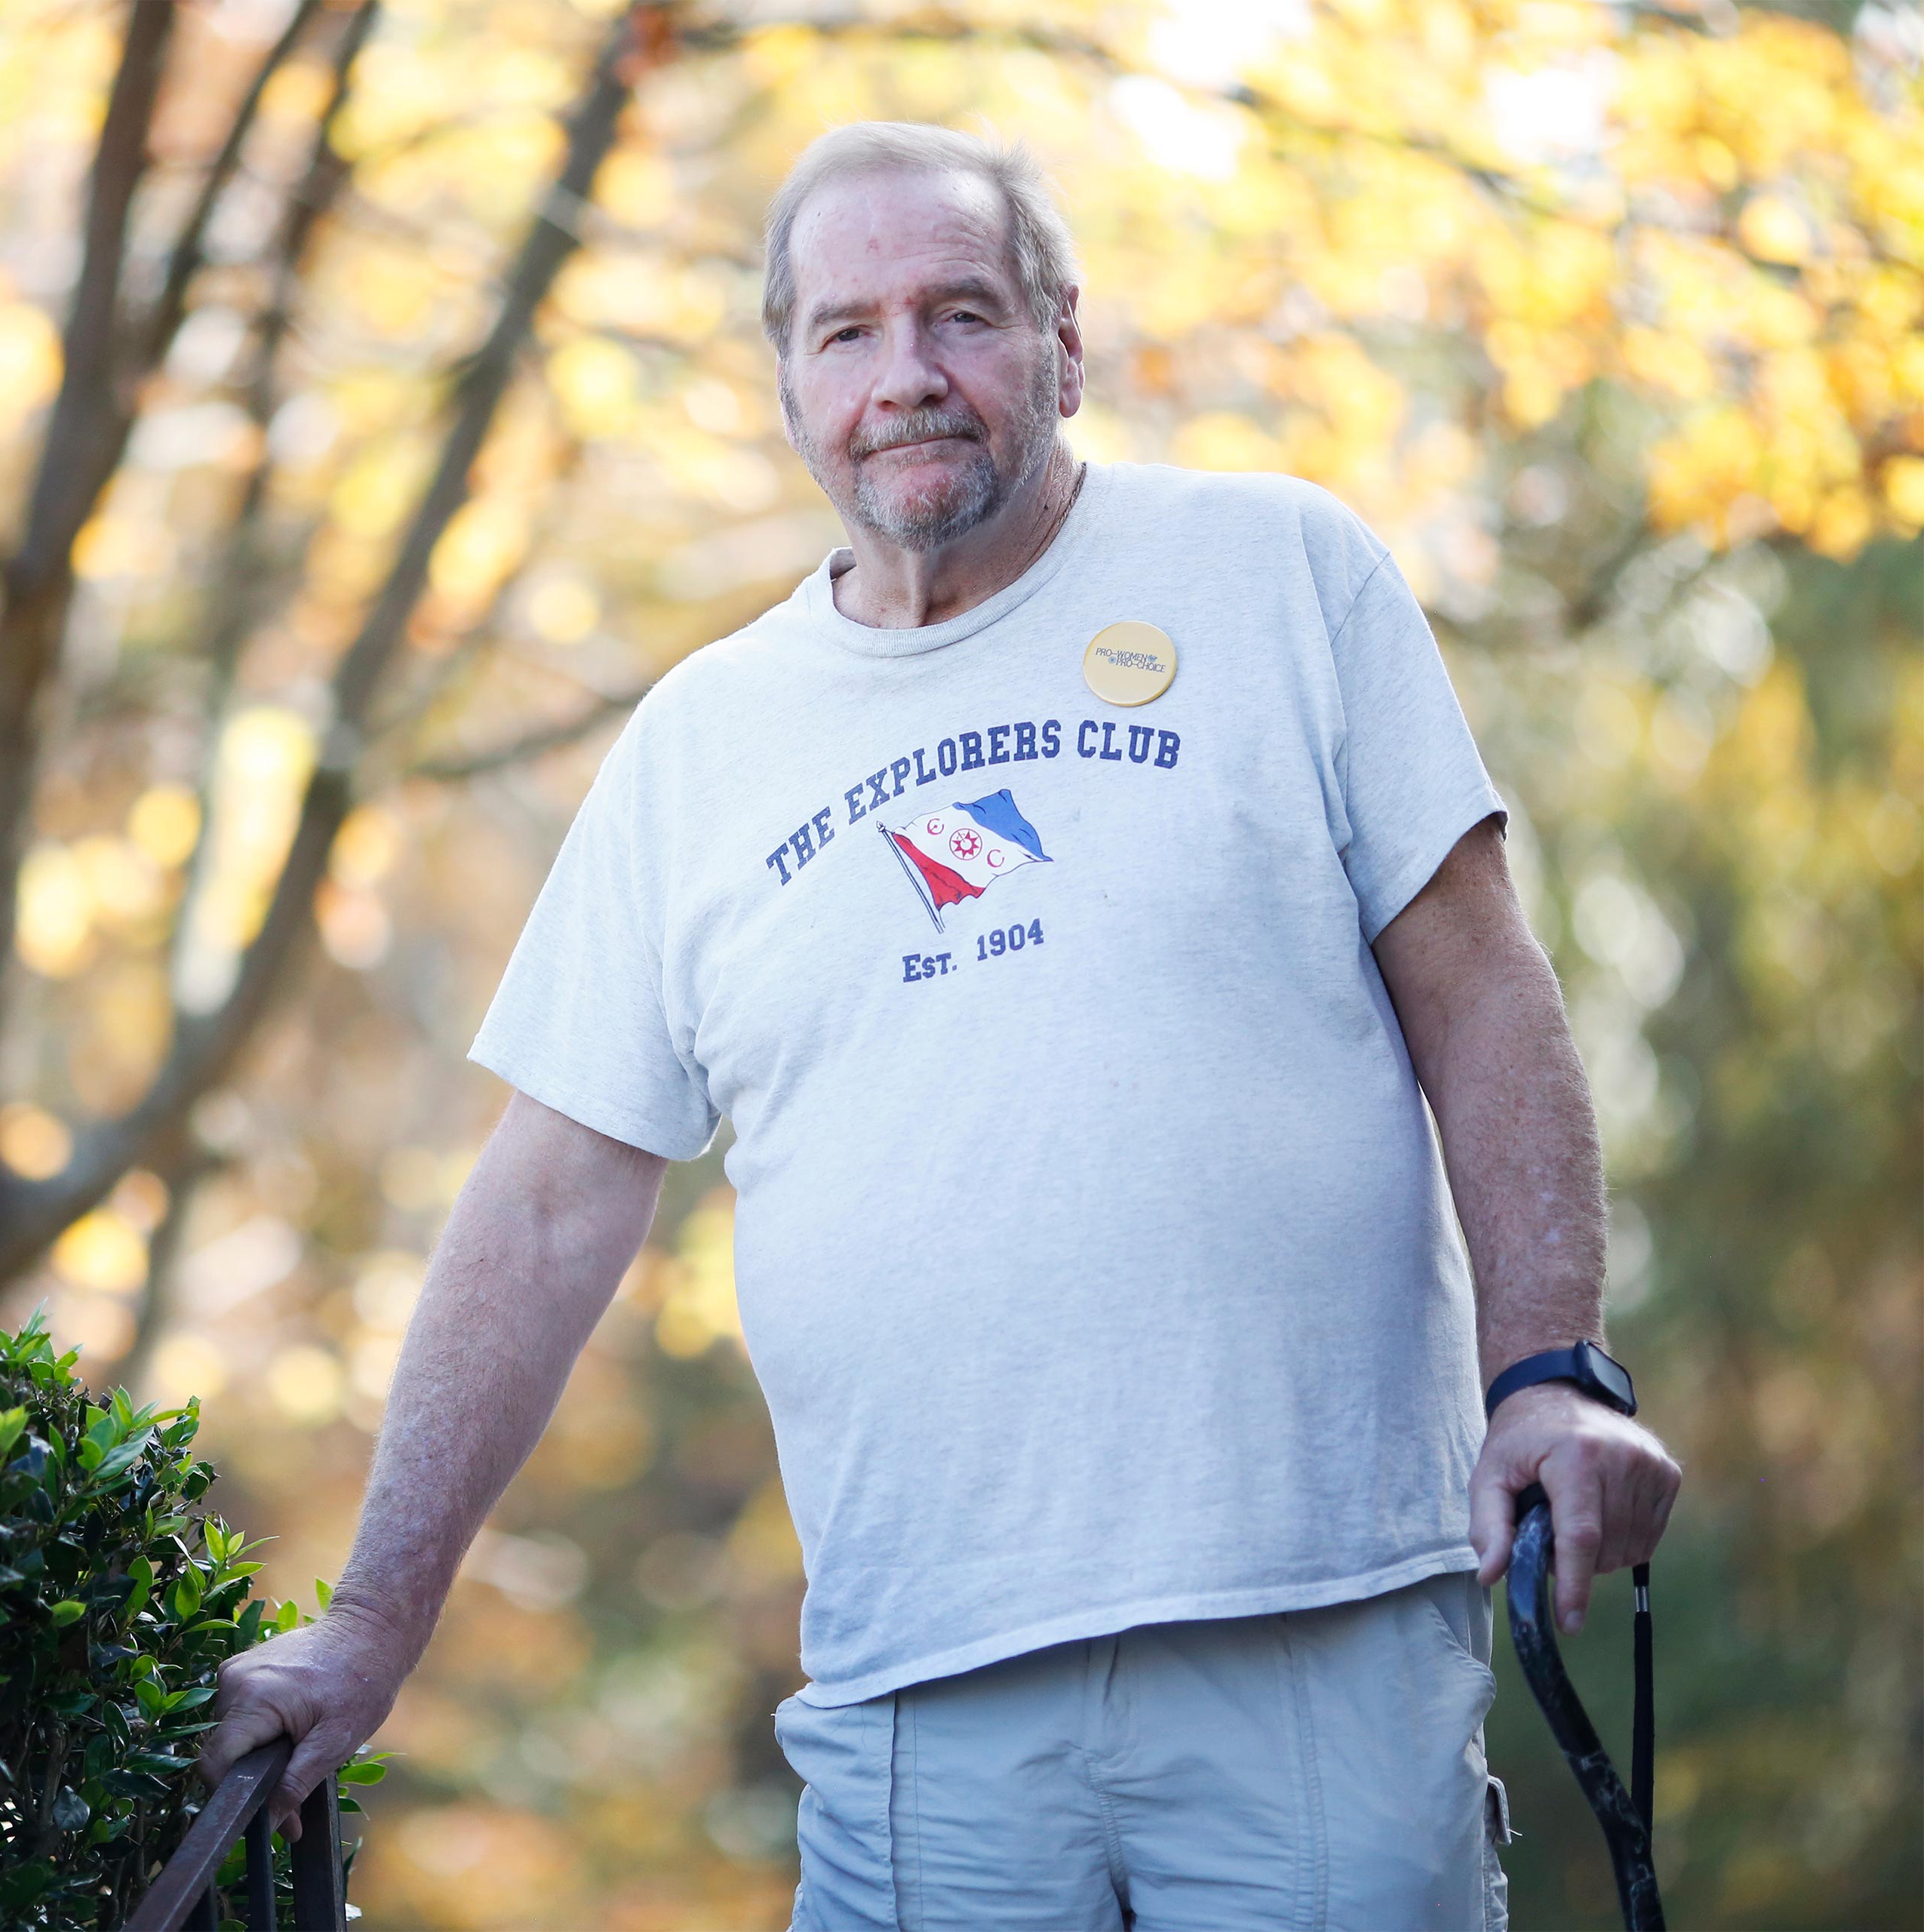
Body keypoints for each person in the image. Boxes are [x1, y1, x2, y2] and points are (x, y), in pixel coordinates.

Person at [195, 122, 1683, 1929]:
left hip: (1313, 1627)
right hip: (919, 1699)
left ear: (1065, 337)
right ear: (789, 381)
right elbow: (544, 1208)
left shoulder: (1280, 572)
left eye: (960, 315)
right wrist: (375, 1617)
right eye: (848, 331)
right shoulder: (697, 744)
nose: (907, 375)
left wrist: (1549, 1373)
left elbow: (1484, 990)